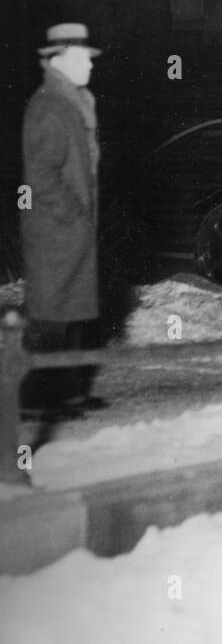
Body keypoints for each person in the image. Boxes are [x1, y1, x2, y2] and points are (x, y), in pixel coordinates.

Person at [19, 22, 104, 419]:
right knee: (52, 315)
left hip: (73, 231)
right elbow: (40, 177)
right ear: (60, 59)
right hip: (56, 231)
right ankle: (35, 398)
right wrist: (75, 213)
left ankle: (68, 393)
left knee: (74, 313)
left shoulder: (74, 101)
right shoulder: (50, 106)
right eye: (83, 57)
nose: (89, 64)